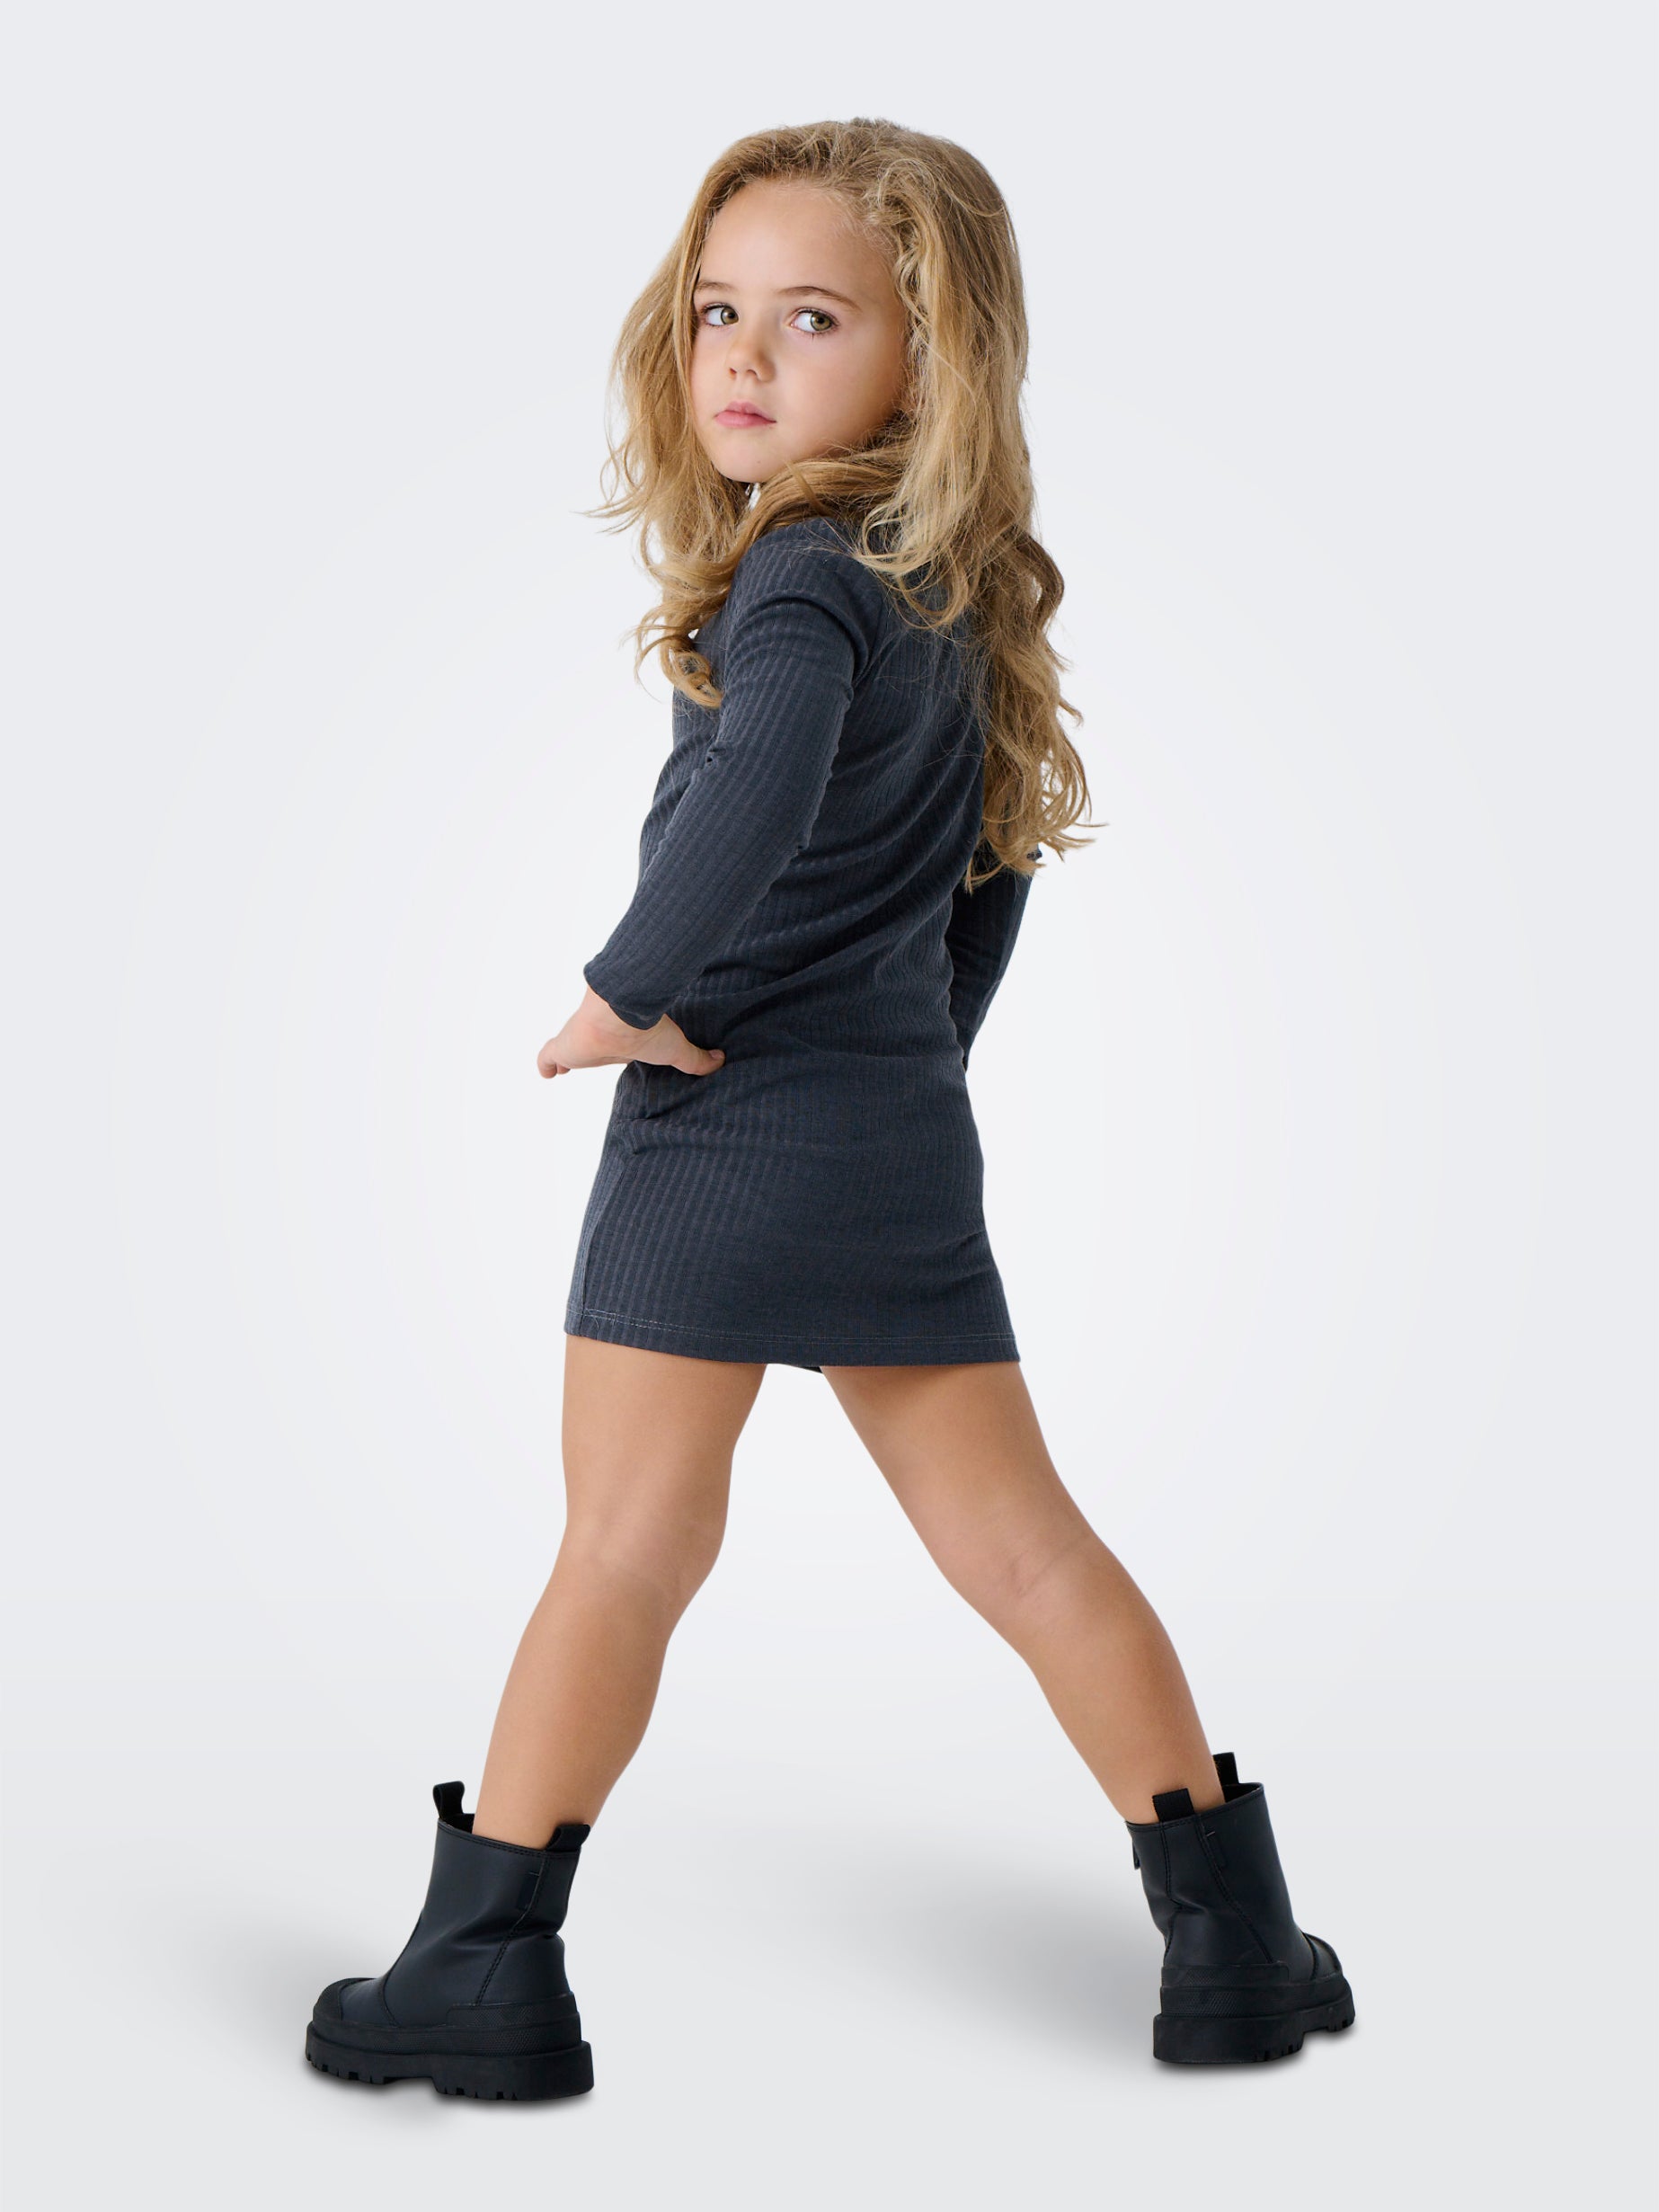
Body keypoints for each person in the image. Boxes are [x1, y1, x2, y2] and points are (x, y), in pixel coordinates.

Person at [305, 118, 1353, 2101]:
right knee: (1028, 1553)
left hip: (715, 1133)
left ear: (927, 357)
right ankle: (1233, 1946)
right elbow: (990, 875)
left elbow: (766, 786)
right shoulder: (953, 595)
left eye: (810, 319)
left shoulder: (794, 576)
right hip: (888, 1139)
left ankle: (481, 1966)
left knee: (624, 1551)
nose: (743, 356)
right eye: (718, 311)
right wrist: (913, 1056)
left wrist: (631, 992)